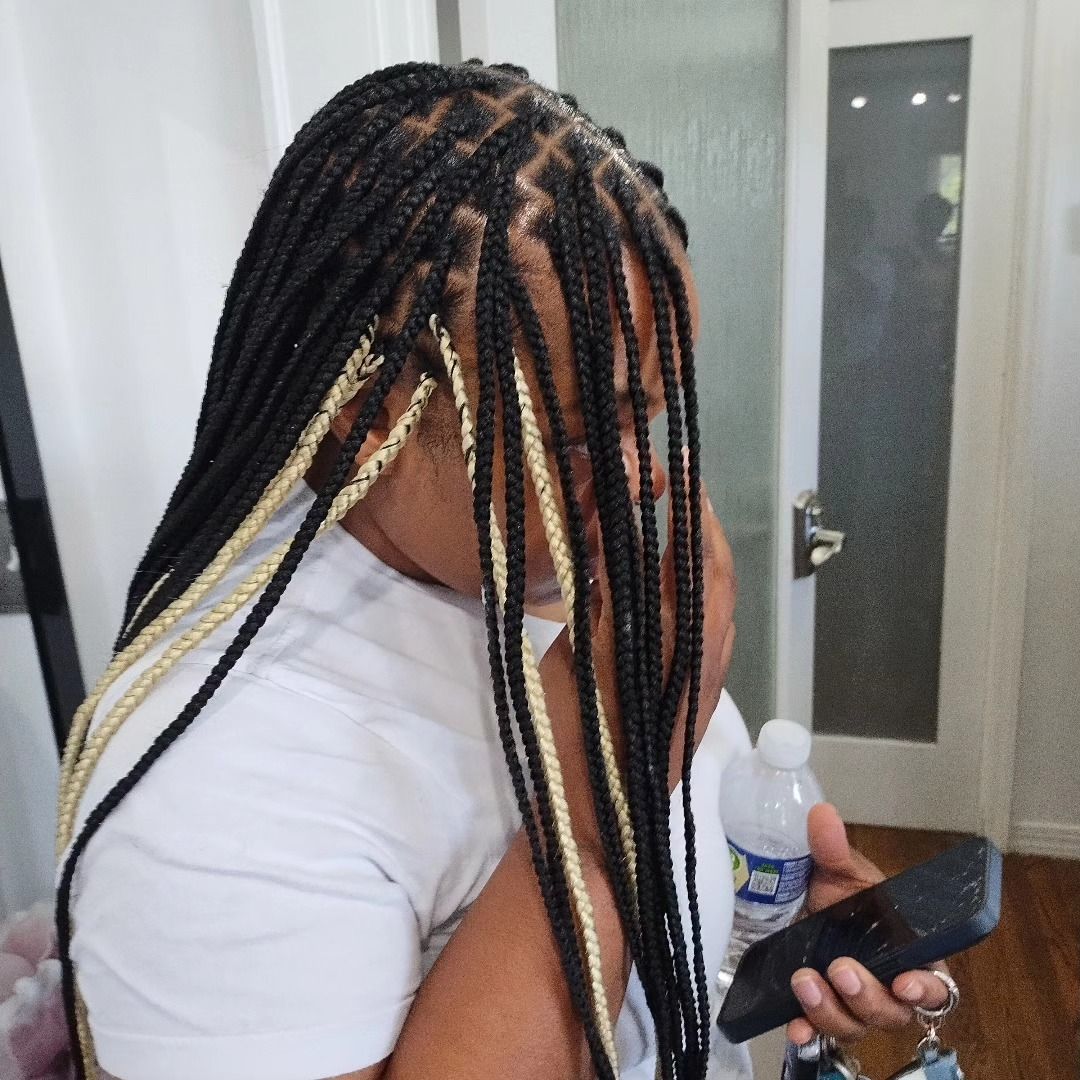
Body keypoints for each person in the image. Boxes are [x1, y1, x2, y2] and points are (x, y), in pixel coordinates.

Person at [53, 62, 950, 1080]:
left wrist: (758, 926)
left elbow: (678, 895)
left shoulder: (546, 577)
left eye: (656, 413)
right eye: (584, 432)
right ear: (368, 411)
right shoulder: (207, 784)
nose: (644, 482)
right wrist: (604, 801)